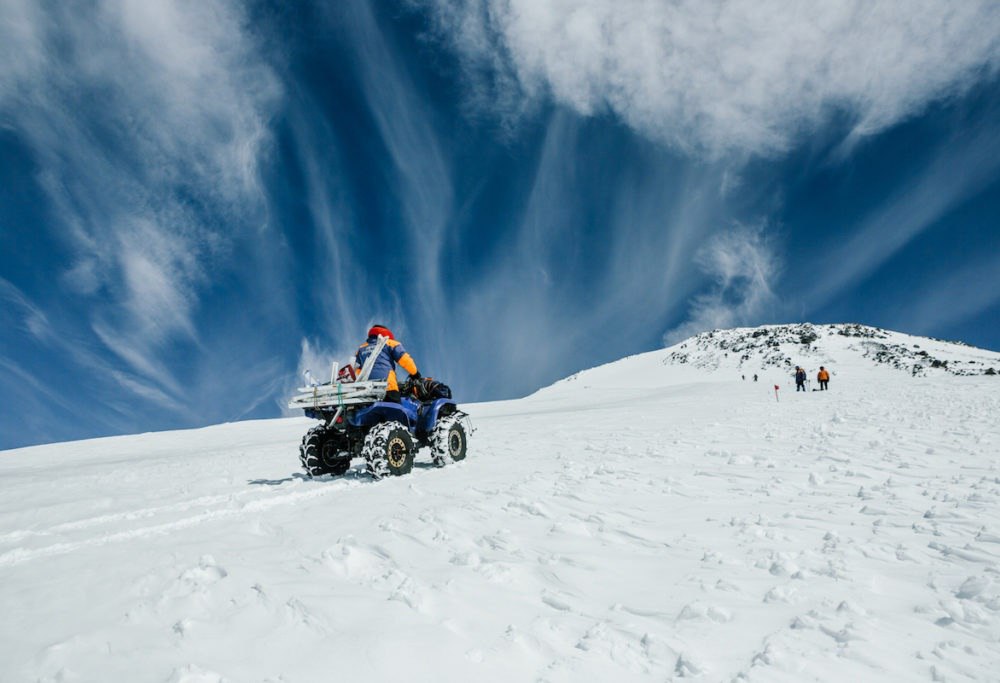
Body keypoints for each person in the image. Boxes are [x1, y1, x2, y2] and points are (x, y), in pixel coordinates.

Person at [355, 324, 419, 403]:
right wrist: (415, 373)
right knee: (394, 409)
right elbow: (404, 359)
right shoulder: (390, 343)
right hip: (388, 387)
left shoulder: (361, 348)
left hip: (367, 390)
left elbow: (357, 371)